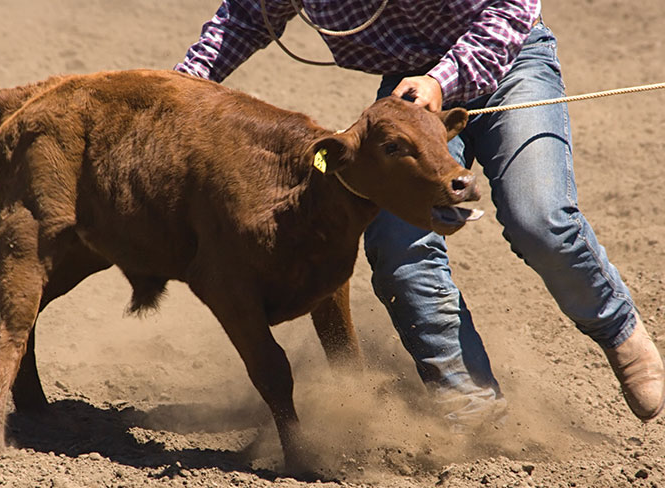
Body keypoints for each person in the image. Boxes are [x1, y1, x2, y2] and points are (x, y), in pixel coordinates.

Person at [174, 0, 665, 430]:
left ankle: (616, 328)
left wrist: (441, 81)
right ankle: (466, 397)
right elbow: (242, 18)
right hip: (409, 86)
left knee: (538, 218)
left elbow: (511, 7)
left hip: (510, 62)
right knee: (395, 244)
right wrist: (175, 93)